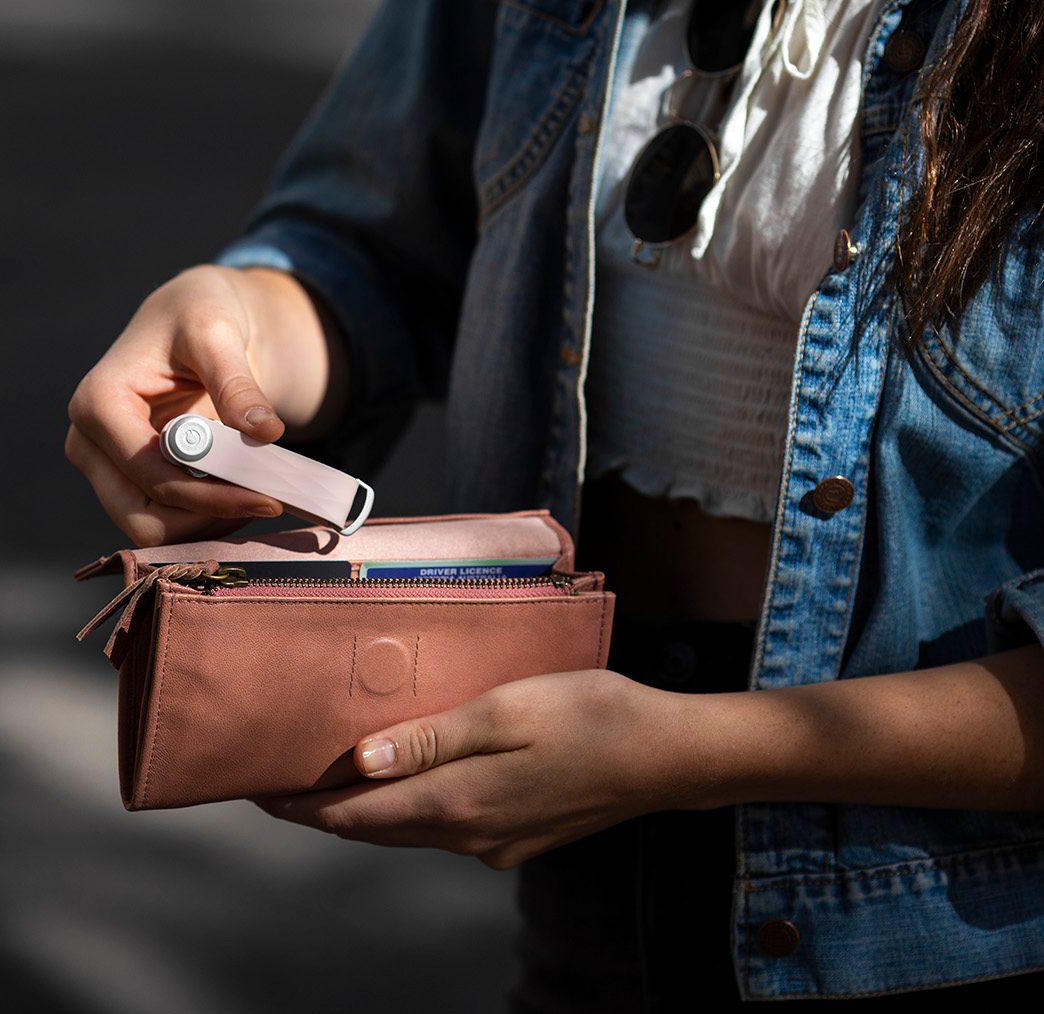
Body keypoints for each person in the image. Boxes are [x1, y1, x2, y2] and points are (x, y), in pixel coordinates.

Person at [65, 0, 1044, 1005]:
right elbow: (374, 248)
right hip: (590, 825)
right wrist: (240, 323)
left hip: (957, 915)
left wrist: (689, 752)